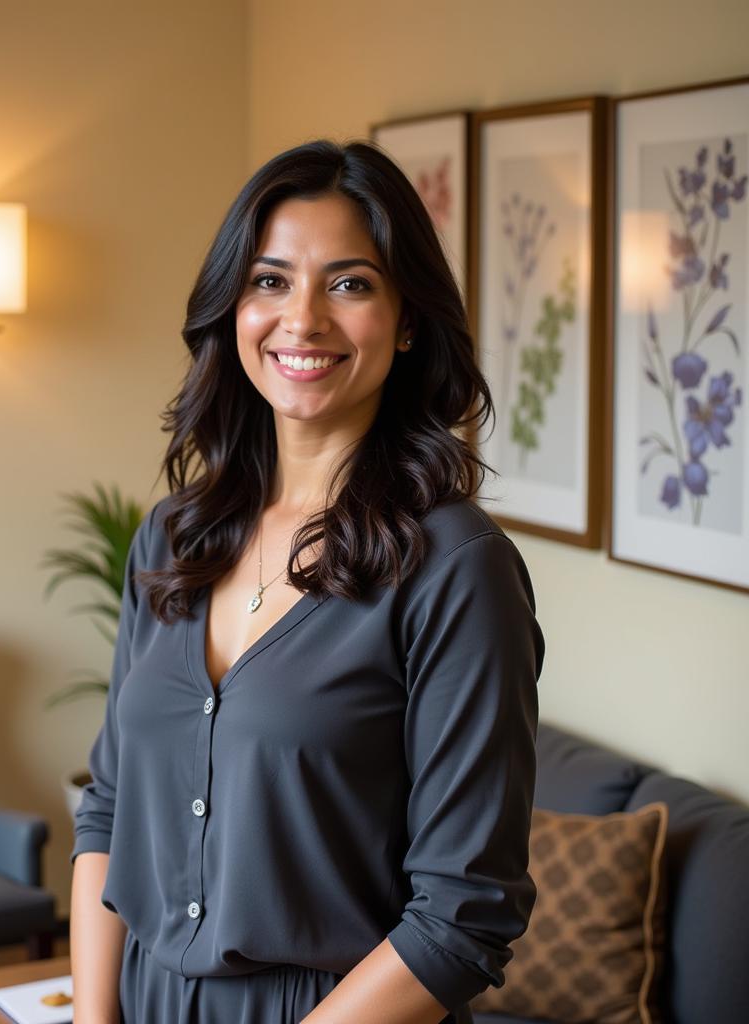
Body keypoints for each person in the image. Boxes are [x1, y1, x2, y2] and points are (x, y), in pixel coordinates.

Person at [69, 138, 545, 1024]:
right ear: (233, 307)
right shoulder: (173, 537)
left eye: (351, 283)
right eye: (271, 280)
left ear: (407, 320)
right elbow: (109, 809)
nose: (304, 320)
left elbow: (461, 918)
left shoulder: (457, 570)